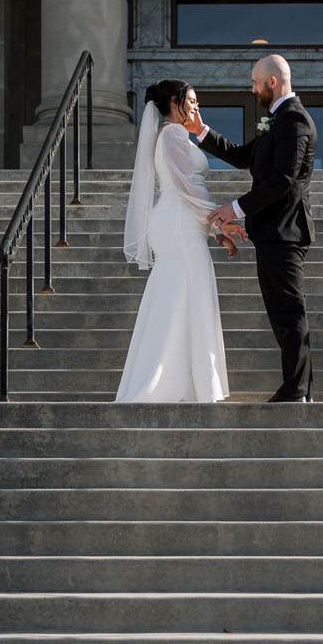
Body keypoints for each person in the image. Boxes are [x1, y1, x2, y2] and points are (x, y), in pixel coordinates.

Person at [188, 54, 317, 403]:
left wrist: (236, 207)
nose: (252, 88)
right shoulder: (276, 122)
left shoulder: (294, 122)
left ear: (272, 82)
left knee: (290, 313)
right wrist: (201, 131)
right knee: (280, 314)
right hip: (271, 233)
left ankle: (297, 390)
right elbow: (246, 156)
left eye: (255, 82)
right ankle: (296, 387)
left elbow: (283, 180)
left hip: (285, 232)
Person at [116, 79, 242, 403]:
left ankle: (176, 382)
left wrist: (215, 229)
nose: (197, 107)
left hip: (181, 222)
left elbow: (188, 188)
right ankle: (176, 384)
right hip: (178, 223)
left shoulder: (173, 136)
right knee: (191, 294)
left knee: (176, 297)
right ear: (175, 101)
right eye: (192, 100)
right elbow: (188, 187)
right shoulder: (172, 134)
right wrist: (221, 223)